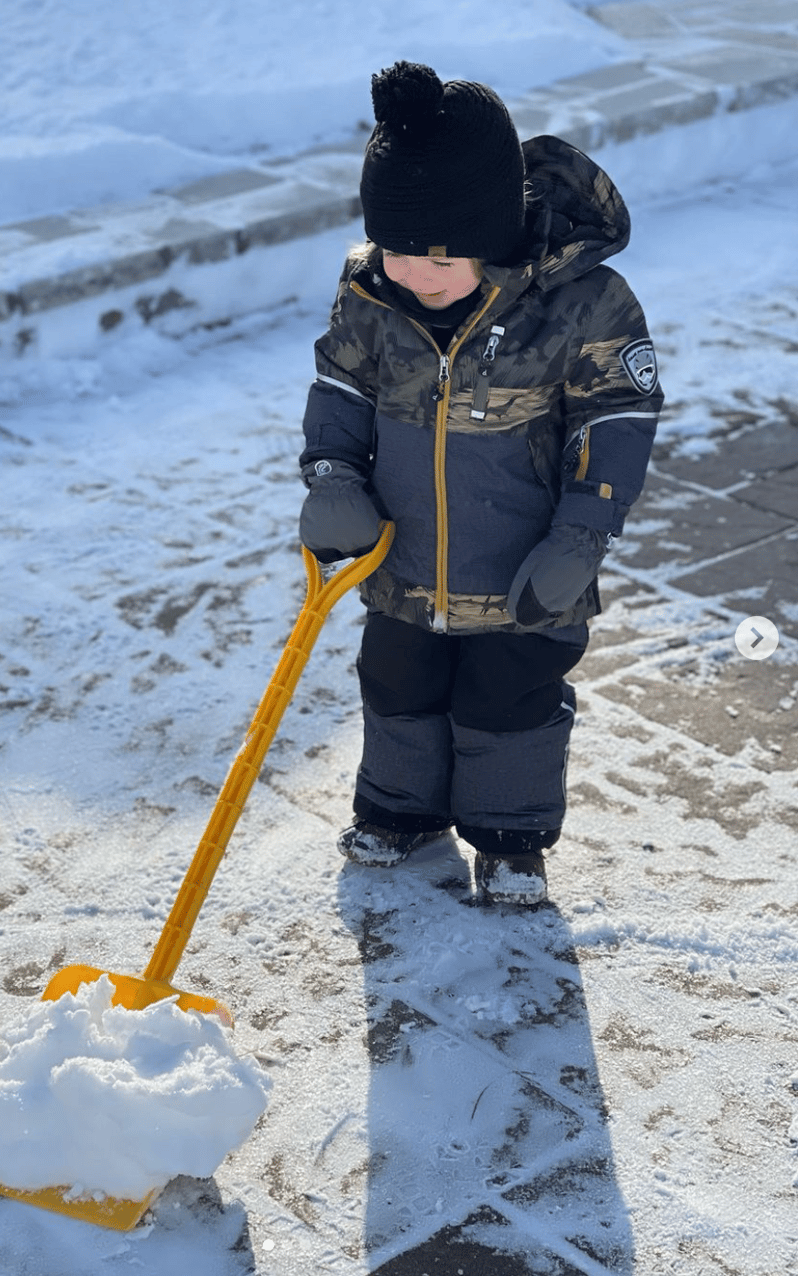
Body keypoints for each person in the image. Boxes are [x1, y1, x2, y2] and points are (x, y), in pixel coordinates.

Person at [297, 61, 662, 905]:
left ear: (493, 233)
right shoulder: (369, 292)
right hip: (400, 561)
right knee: (396, 687)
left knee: (512, 702)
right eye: (396, 250)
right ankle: (398, 812)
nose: (413, 276)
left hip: (527, 569)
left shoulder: (584, 305)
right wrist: (331, 472)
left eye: (438, 258)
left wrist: (583, 535)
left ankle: (510, 841)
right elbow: (340, 388)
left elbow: (617, 421)